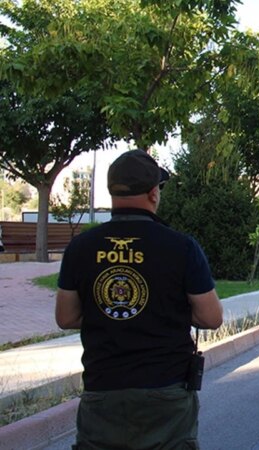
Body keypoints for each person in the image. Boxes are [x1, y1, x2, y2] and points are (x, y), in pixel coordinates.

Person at [55, 149, 223, 449]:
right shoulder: (181, 247)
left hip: (102, 391)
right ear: (153, 193)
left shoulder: (80, 248)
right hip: (165, 393)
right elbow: (211, 318)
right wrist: (162, 312)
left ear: (112, 192)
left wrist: (109, 312)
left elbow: (66, 317)